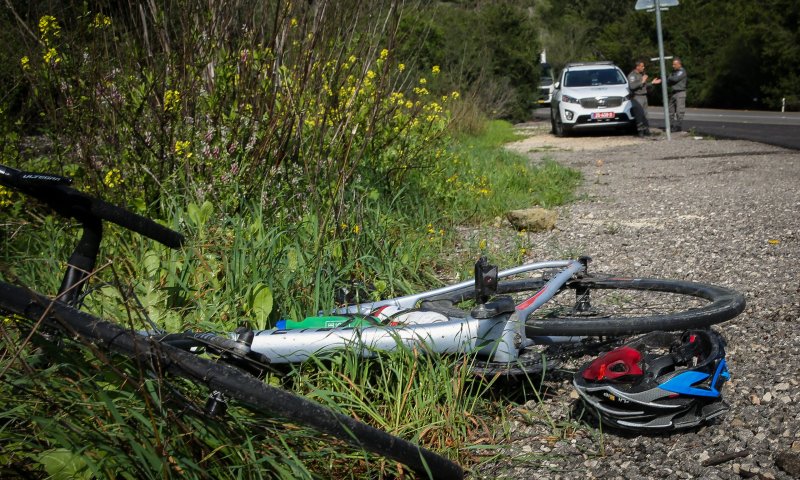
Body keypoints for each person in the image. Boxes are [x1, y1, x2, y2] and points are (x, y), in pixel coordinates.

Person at [627, 58, 661, 137]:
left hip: (644, 96)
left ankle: (646, 130)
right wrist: (641, 81)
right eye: (642, 66)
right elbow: (632, 86)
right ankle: (640, 131)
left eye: (643, 66)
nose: (643, 68)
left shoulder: (641, 74)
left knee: (645, 114)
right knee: (639, 114)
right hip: (637, 97)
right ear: (637, 67)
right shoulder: (632, 75)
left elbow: (644, 86)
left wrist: (652, 83)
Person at [667, 57, 687, 132]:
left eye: (675, 64)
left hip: (680, 93)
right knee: (671, 110)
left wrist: (670, 77)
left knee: (679, 111)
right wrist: (670, 78)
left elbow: (675, 79)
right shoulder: (674, 72)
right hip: (673, 93)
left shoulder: (682, 71)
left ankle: (678, 126)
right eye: (673, 64)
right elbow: (668, 82)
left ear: (679, 64)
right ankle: (671, 125)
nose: (673, 66)